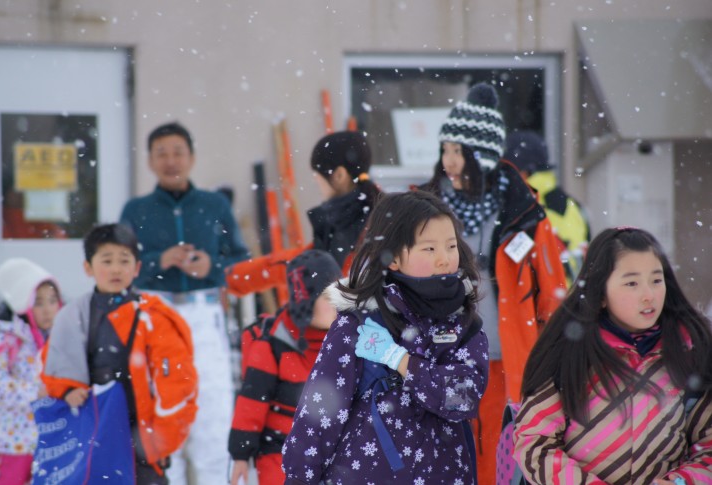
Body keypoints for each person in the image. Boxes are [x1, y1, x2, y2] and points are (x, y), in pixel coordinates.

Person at [282, 190, 489, 484]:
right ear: (392, 258)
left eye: (451, 245)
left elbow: (462, 400)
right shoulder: (359, 324)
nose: (445, 259)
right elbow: (319, 415)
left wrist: (401, 361)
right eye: (429, 249)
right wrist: (299, 478)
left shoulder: (463, 325)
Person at [419, 82, 567, 483]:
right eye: (445, 149)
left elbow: (554, 295)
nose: (448, 160)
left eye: (457, 150)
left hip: (509, 358)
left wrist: (558, 358)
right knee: (445, 452)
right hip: (443, 353)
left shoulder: (526, 215)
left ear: (480, 156)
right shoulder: (427, 209)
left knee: (504, 460)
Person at [514, 227, 712, 484]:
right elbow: (535, 443)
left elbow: (708, 444)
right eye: (632, 283)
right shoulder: (568, 352)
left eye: (656, 279)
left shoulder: (688, 352)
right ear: (601, 293)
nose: (648, 295)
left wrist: (680, 481)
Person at [119, 122, 249, 484]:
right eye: (161, 153)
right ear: (149, 161)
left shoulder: (214, 205)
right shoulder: (137, 209)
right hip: (155, 315)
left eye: (177, 152)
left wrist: (214, 266)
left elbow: (241, 262)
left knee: (211, 418)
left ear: (191, 157)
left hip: (205, 315)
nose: (170, 160)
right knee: (161, 416)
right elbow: (119, 264)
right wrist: (159, 260)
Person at [41, 223, 198, 484]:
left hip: (139, 439)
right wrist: (67, 390)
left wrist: (157, 440)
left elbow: (178, 382)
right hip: (90, 440)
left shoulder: (154, 317)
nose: (115, 268)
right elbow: (53, 365)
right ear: (88, 268)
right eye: (106, 260)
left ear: (136, 268)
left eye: (124, 260)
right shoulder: (73, 316)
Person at [228, 249, 342, 485]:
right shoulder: (273, 344)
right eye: (326, 296)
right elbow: (251, 404)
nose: (336, 303)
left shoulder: (350, 339)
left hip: (334, 451)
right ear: (305, 305)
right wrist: (240, 455)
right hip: (281, 451)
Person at [225, 130, 380, 297]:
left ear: (339, 175)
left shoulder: (361, 225)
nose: (317, 184)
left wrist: (233, 278)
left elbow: (306, 268)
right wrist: (235, 277)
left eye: (317, 177)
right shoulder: (357, 215)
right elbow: (300, 264)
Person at [0, 258, 62, 485]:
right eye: (38, 302)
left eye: (53, 300)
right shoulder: (5, 336)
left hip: (39, 439)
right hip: (5, 441)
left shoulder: (55, 338)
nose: (48, 309)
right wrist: (33, 392)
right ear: (22, 303)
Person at [504, 130, 591, 286]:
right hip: (572, 300)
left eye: (508, 170)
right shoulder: (569, 204)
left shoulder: (528, 207)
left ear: (525, 172)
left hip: (549, 303)